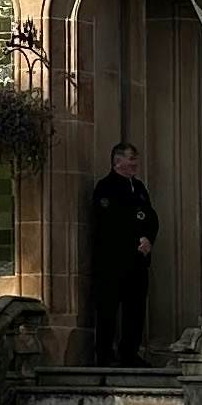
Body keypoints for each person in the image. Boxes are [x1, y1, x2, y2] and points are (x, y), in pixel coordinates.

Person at [85, 141, 160, 362]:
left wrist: (148, 239)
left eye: (136, 158)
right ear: (118, 161)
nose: (135, 163)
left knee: (135, 309)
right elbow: (110, 222)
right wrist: (134, 240)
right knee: (107, 309)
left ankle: (130, 352)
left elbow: (150, 217)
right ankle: (105, 355)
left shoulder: (139, 188)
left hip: (137, 261)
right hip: (112, 261)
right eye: (131, 158)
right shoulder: (105, 187)